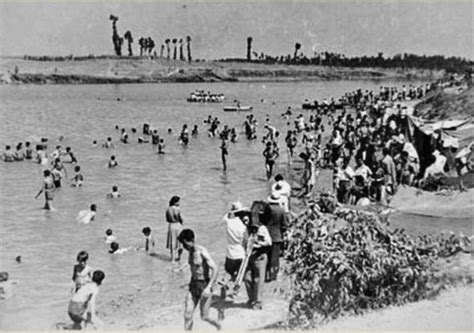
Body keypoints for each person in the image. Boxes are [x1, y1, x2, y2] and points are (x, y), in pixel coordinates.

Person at [177, 229, 221, 331]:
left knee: (204, 316)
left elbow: (215, 268)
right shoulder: (190, 251)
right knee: (187, 314)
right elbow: (193, 265)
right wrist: (180, 268)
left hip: (204, 285)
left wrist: (209, 287)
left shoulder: (201, 251)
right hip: (193, 285)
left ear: (191, 240)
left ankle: (219, 326)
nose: (183, 246)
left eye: (184, 243)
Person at [243, 215, 272, 310]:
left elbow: (269, 242)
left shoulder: (262, 229)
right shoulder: (246, 229)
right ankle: (251, 298)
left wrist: (258, 244)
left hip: (260, 256)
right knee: (247, 277)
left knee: (258, 279)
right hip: (249, 256)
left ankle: (258, 302)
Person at [264, 192, 289, 282]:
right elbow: (284, 225)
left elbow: (264, 220)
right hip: (277, 236)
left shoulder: (267, 208)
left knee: (267, 255)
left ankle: (265, 273)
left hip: (267, 234)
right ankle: (273, 276)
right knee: (275, 257)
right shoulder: (281, 210)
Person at [222, 202, 249, 281]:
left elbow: (225, 216)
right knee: (240, 277)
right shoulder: (243, 226)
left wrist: (231, 211)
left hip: (230, 252)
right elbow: (246, 241)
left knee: (230, 274)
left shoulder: (228, 222)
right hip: (240, 252)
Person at [165, 195, 184, 262]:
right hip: (177, 225)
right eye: (179, 201)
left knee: (172, 242)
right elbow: (180, 217)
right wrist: (182, 222)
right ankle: (179, 257)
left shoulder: (168, 209)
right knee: (180, 242)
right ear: (175, 202)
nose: (180, 202)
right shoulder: (178, 209)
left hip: (171, 225)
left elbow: (167, 219)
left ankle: (172, 259)